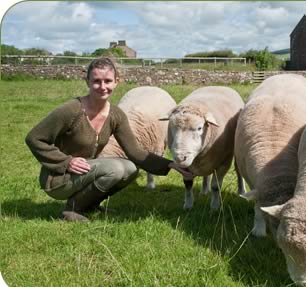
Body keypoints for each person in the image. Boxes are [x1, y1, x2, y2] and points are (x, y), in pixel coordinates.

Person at [25, 57, 192, 222]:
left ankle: (90, 205)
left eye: (107, 81)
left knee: (131, 169)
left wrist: (170, 164)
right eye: (96, 81)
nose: (102, 86)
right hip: (58, 178)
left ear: (116, 82)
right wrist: (66, 161)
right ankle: (72, 209)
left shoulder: (115, 115)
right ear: (87, 81)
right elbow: (34, 138)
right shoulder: (71, 110)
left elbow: (135, 152)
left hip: (84, 171)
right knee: (116, 169)